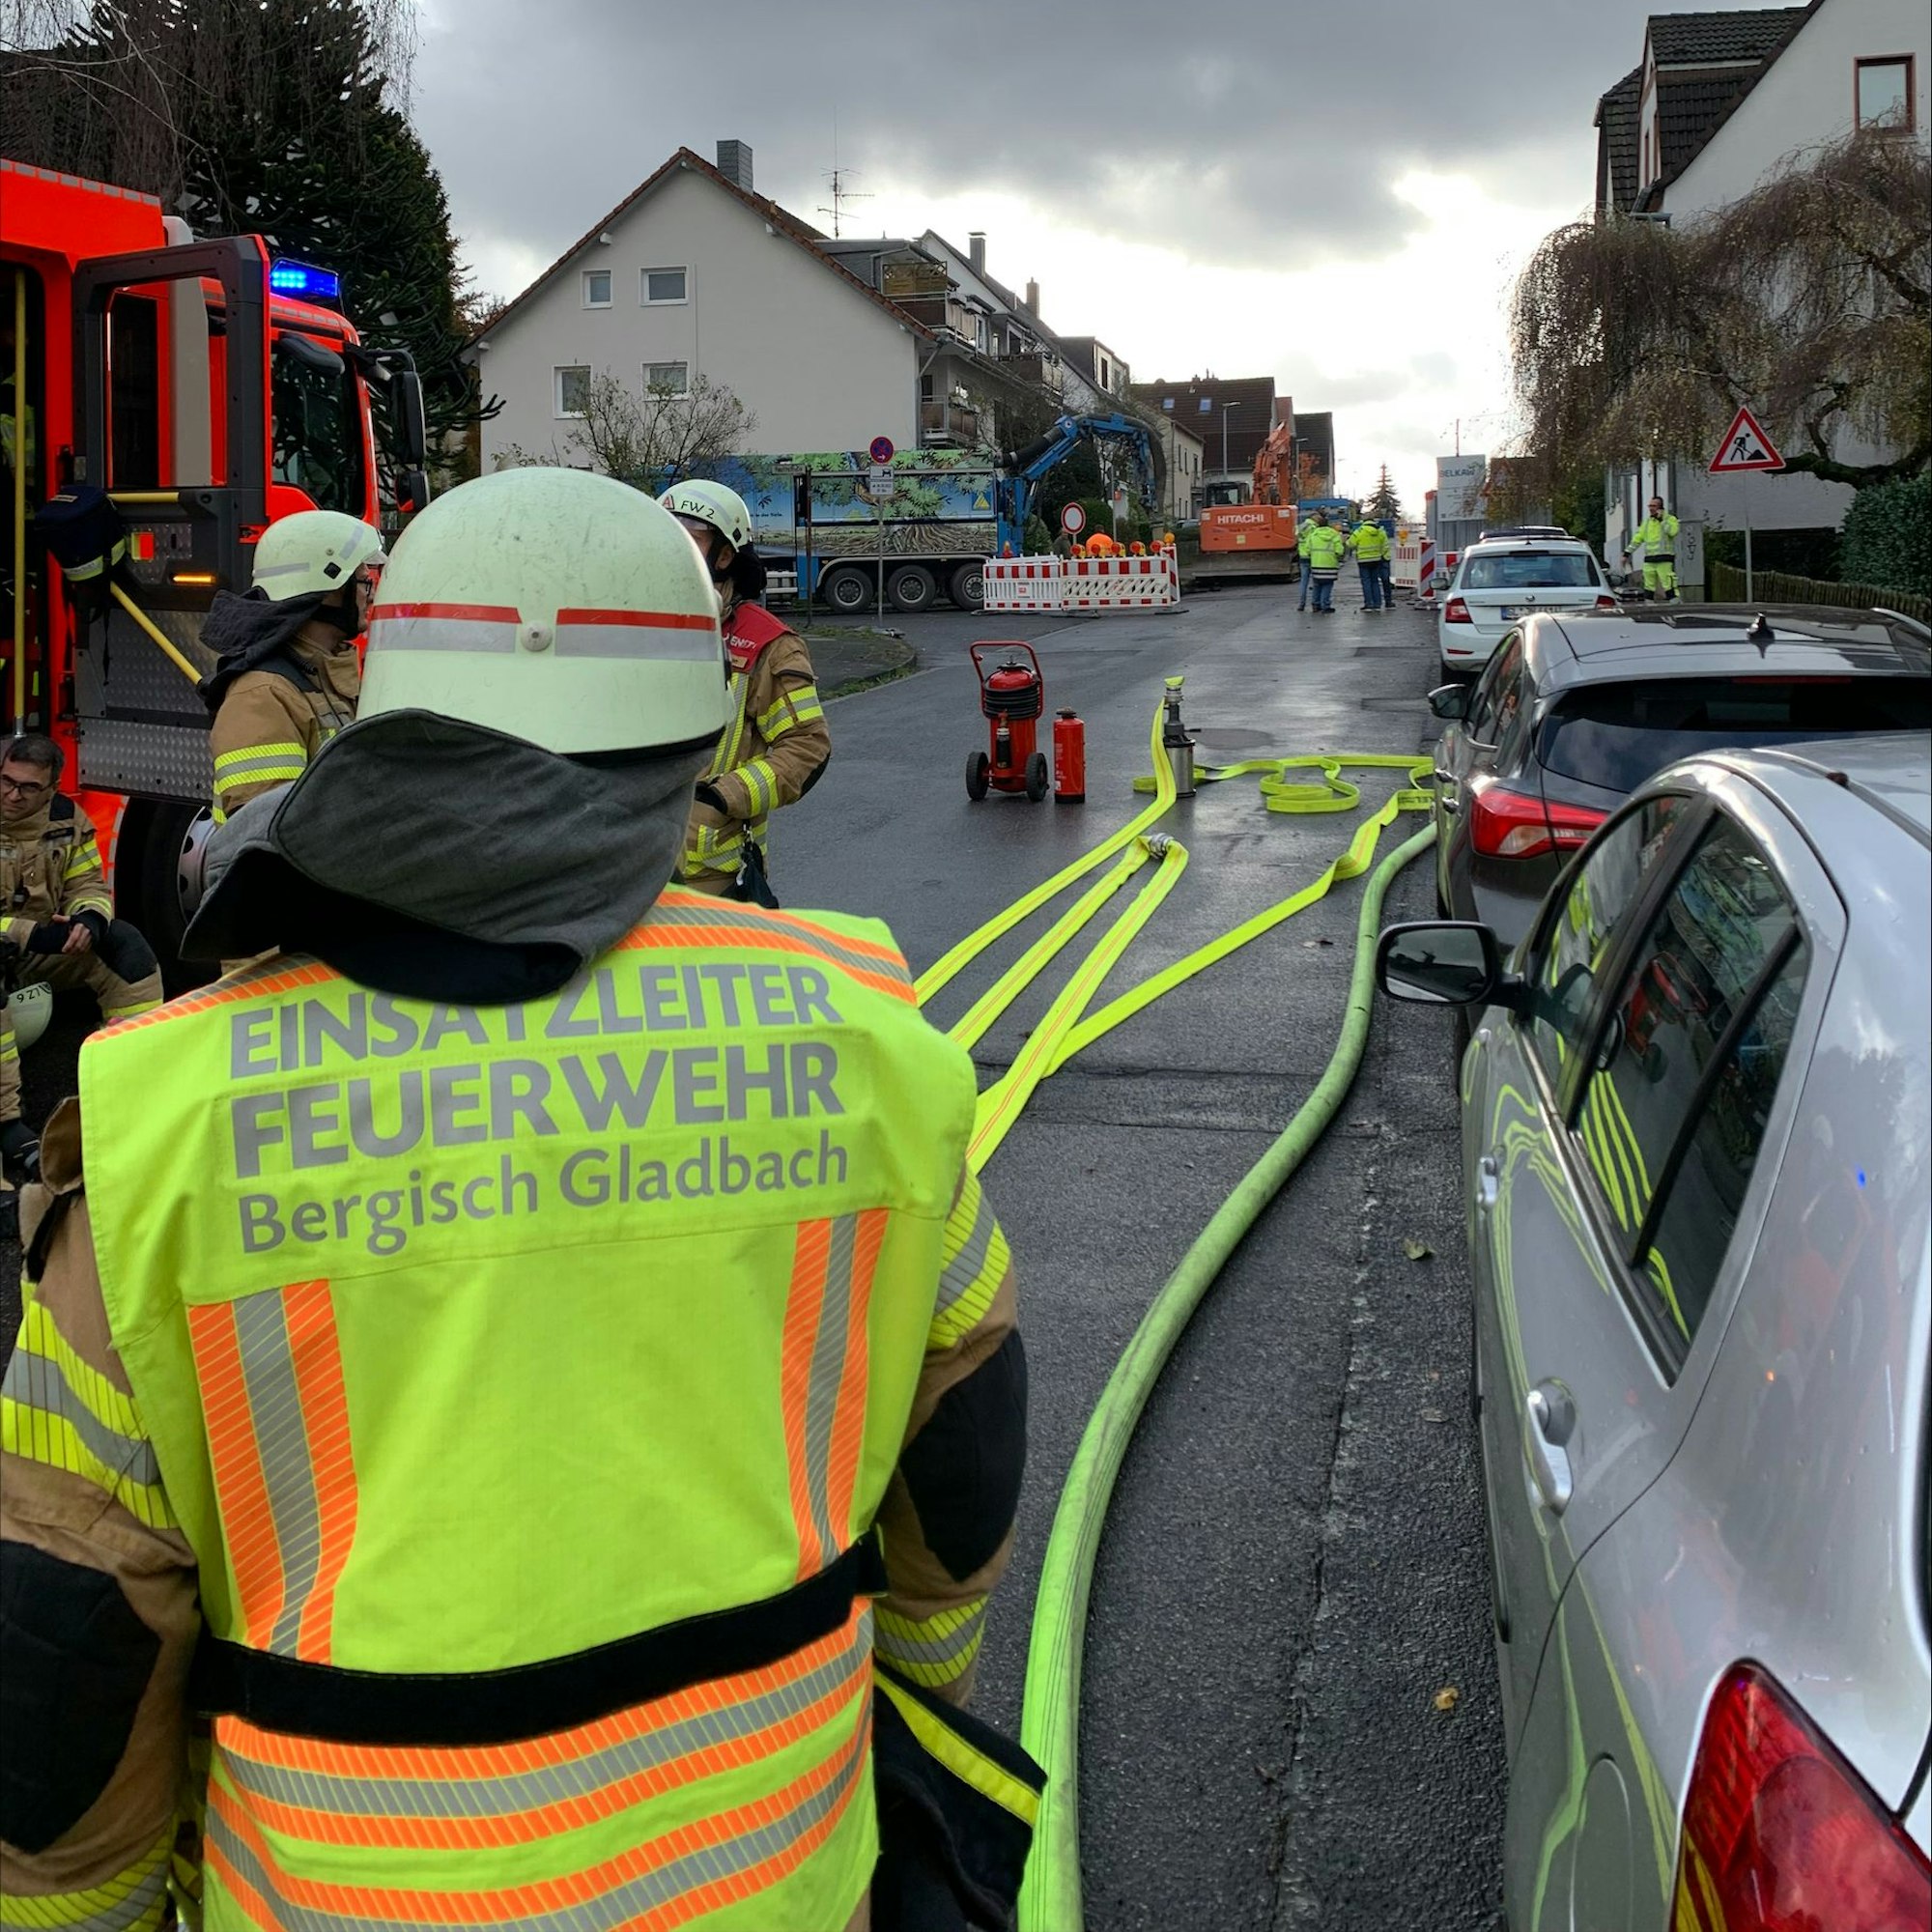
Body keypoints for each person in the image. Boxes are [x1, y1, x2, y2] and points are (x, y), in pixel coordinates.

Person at [0, 467, 1032, 1932]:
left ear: (394, 688)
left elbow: (67, 1654)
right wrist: (908, 1717)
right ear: (690, 720)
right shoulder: (871, 1042)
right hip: (777, 1878)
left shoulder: (174, 1122)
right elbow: (963, 1469)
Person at [0, 732, 161, 1185]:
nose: (13, 794)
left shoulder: (67, 819)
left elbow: (87, 882)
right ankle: (8, 1124)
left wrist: (89, 919)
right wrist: (30, 933)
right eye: (7, 782)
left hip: (38, 948)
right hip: (18, 942)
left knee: (127, 953)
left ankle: (131, 1095)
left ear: (51, 789)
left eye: (28, 788)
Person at [660, 478, 830, 904]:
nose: (673, 551)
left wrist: (720, 799)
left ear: (724, 555)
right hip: (628, 872)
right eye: (665, 535)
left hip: (713, 880)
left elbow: (807, 748)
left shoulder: (767, 644)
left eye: (689, 537)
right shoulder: (633, 630)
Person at [198, 509, 384, 823]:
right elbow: (270, 838)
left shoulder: (323, 674)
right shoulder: (263, 696)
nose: (370, 594)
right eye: (364, 581)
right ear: (329, 589)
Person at [1623, 496, 1681, 601]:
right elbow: (1637, 539)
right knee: (1648, 587)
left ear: (1660, 507)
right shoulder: (1647, 522)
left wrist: (1662, 520)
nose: (1650, 508)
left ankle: (1675, 607)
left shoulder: (1670, 519)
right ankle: (1648, 608)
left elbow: (1672, 532)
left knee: (1668, 585)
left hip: (1664, 558)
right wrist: (1626, 554)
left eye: (1653, 506)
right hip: (1649, 560)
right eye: (1649, 506)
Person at [1303, 510, 1347, 613]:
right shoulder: (1334, 535)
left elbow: (1307, 549)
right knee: (1327, 585)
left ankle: (1315, 604)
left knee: (1317, 585)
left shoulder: (1313, 535)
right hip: (1330, 565)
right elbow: (1339, 551)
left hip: (1316, 564)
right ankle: (1325, 605)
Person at [1349, 516, 1392, 611]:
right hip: (1376, 559)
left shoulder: (1359, 531)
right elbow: (1385, 546)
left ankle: (1369, 604)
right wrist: (1381, 554)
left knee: (1366, 582)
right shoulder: (1380, 531)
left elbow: (1350, 544)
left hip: (1363, 560)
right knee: (1375, 581)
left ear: (1364, 522)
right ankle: (1377, 604)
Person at [1296, 513, 1316, 611]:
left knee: (1304, 582)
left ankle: (1301, 603)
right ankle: (1315, 603)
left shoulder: (1300, 527)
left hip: (1302, 556)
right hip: (1312, 556)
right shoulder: (1313, 528)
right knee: (1316, 582)